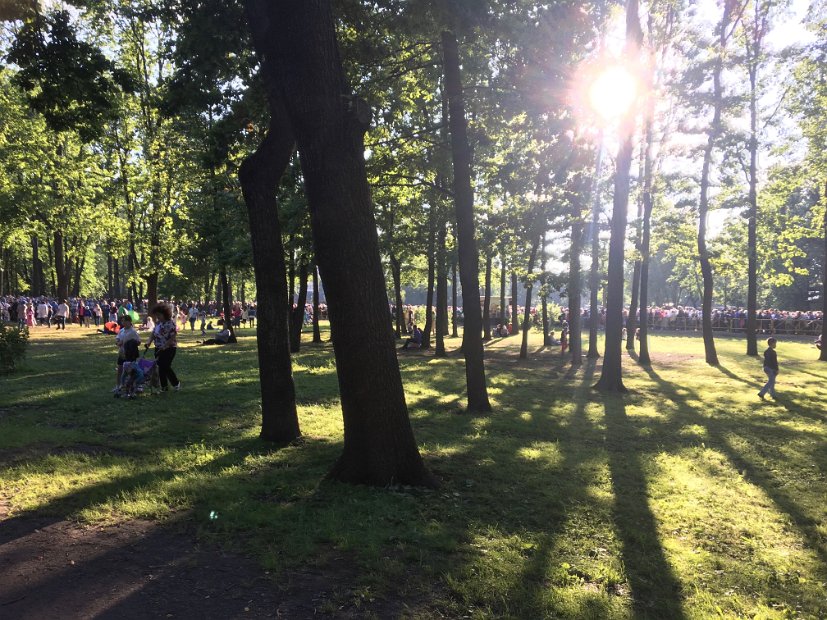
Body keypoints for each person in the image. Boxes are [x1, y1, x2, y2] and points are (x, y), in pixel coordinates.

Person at [145, 303, 181, 392]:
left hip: (170, 348)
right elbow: (153, 333)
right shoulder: (158, 323)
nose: (157, 317)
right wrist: (149, 342)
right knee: (160, 367)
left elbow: (173, 337)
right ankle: (164, 387)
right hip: (158, 348)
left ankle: (176, 383)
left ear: (165, 314)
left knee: (165, 366)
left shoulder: (171, 324)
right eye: (156, 315)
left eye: (159, 315)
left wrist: (165, 345)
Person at [114, 314, 140, 392]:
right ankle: (118, 386)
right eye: (122, 321)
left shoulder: (133, 332)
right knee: (120, 370)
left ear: (129, 322)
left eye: (124, 320)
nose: (123, 322)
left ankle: (132, 386)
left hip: (130, 355)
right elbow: (117, 340)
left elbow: (138, 342)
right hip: (122, 353)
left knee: (130, 371)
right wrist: (118, 343)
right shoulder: (121, 330)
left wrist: (131, 343)